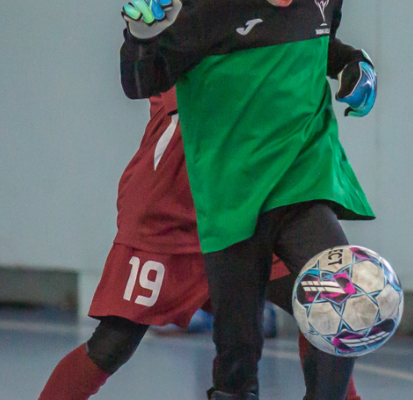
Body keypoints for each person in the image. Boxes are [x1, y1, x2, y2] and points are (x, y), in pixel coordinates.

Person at [119, 1, 377, 399]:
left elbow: (321, 40)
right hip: (231, 195)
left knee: (344, 296)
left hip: (301, 176)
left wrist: (352, 64)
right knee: (237, 358)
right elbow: (142, 82)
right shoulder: (203, 10)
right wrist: (141, 38)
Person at [37, 87, 363, 399]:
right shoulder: (186, 53)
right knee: (113, 343)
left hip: (240, 205)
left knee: (325, 304)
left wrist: (348, 60)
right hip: (171, 211)